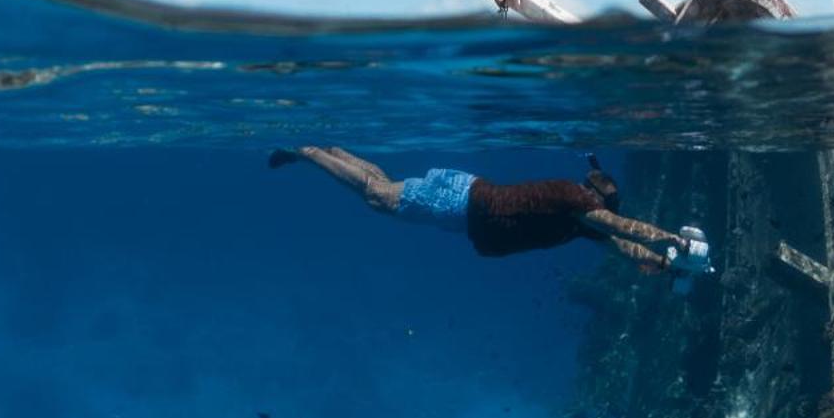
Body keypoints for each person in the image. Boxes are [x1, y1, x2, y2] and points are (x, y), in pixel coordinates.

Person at [270, 147, 712, 280]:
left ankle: (333, 152)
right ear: (597, 202)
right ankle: (311, 154)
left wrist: (661, 265)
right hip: (462, 206)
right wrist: (673, 241)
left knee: (385, 189)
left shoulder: (578, 215)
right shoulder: (579, 206)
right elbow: (621, 227)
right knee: (375, 196)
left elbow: (622, 243)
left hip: (467, 192)